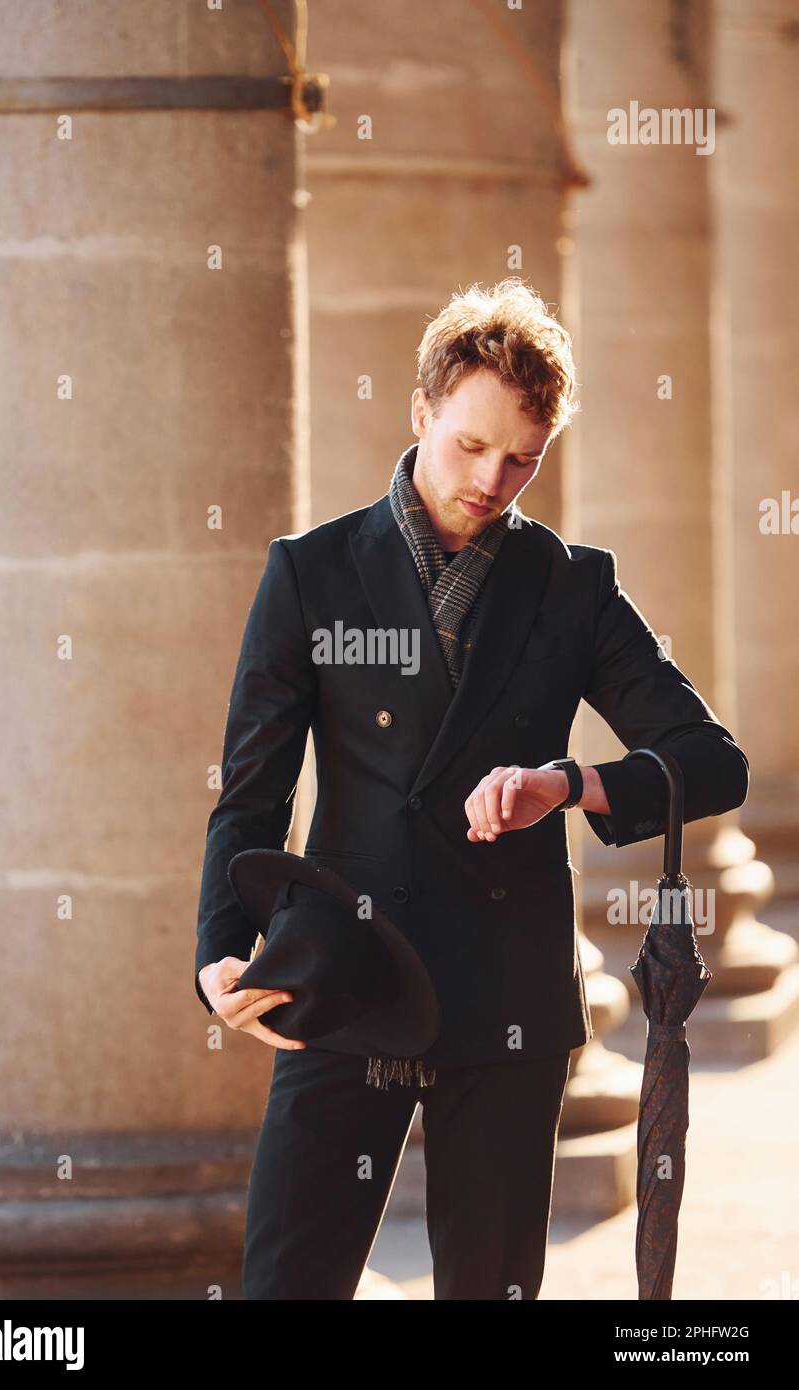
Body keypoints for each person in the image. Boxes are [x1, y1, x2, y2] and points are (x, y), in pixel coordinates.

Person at [193, 277, 749, 1300]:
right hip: (344, 970)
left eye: (522, 459)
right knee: (286, 1283)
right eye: (470, 445)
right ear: (421, 411)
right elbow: (251, 793)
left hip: (505, 995)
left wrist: (567, 782)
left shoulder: (570, 584)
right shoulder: (310, 573)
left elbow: (711, 759)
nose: (492, 480)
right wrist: (221, 951)